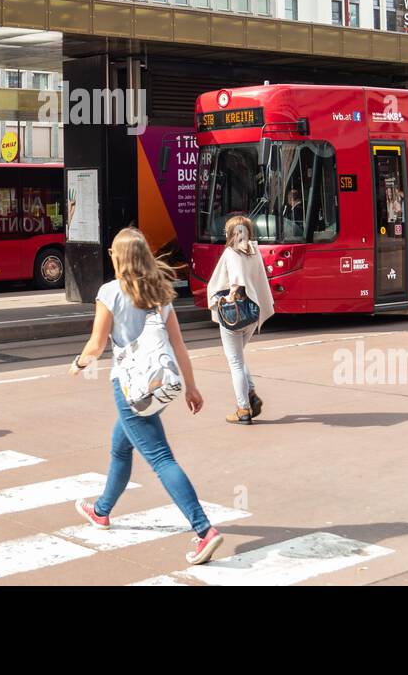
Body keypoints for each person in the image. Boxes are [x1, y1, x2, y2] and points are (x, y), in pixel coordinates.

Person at [69, 227, 224, 566]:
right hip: (156, 386)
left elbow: (96, 344)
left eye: (112, 251)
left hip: (129, 389)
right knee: (120, 446)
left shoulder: (109, 292)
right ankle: (101, 510)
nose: (109, 255)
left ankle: (204, 530)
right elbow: (179, 345)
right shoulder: (160, 294)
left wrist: (78, 363)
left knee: (161, 458)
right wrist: (192, 387)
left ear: (120, 257)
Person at [205, 214, 275, 425]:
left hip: (234, 315)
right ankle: (251, 393)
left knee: (235, 362)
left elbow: (236, 280)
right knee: (239, 357)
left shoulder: (231, 253)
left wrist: (227, 297)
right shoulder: (254, 251)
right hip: (252, 314)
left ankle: (243, 409)